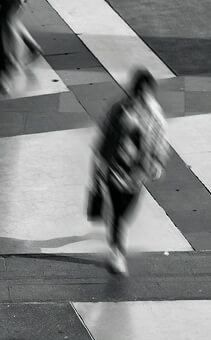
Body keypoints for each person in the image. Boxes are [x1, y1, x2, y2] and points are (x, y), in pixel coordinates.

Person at [90, 69, 169, 275]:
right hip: (116, 167)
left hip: (137, 172)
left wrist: (157, 162)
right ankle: (117, 252)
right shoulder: (120, 110)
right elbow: (105, 139)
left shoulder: (156, 116)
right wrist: (99, 166)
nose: (142, 96)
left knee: (126, 210)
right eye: (139, 92)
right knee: (118, 211)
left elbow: (160, 142)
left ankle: (116, 232)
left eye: (146, 92)